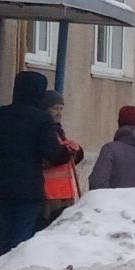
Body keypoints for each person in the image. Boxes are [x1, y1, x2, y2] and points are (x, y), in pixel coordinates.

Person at [0, 69, 77, 258]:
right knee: (21, 236)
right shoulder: (41, 119)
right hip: (29, 187)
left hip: (2, 185)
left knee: (3, 234)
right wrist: (68, 152)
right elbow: (53, 153)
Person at [40, 92, 86, 226]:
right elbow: (53, 157)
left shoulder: (59, 132)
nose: (59, 113)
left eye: (61, 108)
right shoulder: (45, 133)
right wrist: (66, 151)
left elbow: (66, 160)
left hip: (64, 195)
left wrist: (76, 151)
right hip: (48, 197)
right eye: (55, 108)